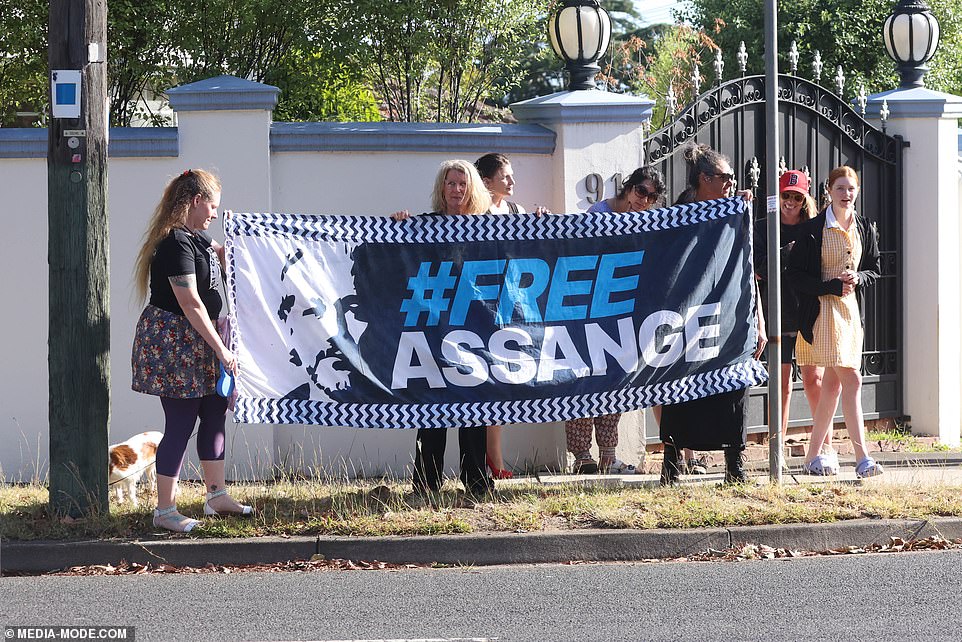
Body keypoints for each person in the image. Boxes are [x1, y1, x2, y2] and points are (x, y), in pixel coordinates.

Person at [131, 169, 252, 533]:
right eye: (212, 206)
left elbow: (226, 268)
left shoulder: (198, 241)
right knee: (181, 424)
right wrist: (222, 350)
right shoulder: (175, 244)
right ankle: (165, 510)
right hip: (177, 343)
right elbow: (191, 302)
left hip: (201, 341)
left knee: (215, 412)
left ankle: (216, 495)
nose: (215, 213)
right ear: (196, 201)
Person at [660, 144, 767, 485]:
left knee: (733, 387)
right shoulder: (675, 219)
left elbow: (747, 270)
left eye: (733, 178)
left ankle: (735, 468)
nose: (732, 184)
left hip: (730, 317)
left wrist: (760, 320)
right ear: (704, 179)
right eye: (726, 178)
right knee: (679, 390)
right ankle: (671, 467)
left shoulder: (735, 214)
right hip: (686, 320)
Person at [392, 160, 495, 496]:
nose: (457, 190)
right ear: (442, 188)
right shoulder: (425, 227)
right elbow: (396, 255)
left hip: (475, 331)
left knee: (473, 408)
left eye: (462, 184)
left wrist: (539, 226)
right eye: (451, 184)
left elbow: (518, 252)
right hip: (433, 332)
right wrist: (398, 227)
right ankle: (426, 483)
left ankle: (477, 481)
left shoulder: (487, 228)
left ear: (473, 188)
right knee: (432, 407)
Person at [566, 166, 666, 474]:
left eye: (651, 197)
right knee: (585, 381)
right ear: (628, 187)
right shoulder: (597, 213)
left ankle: (609, 455)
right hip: (590, 310)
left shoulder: (646, 222)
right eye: (641, 192)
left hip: (625, 310)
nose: (644, 201)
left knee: (615, 382)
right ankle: (582, 456)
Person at [786, 166, 883, 478]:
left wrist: (859, 277)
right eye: (840, 188)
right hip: (821, 312)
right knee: (851, 379)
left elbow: (875, 268)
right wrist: (829, 286)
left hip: (849, 311)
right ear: (828, 191)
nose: (846, 194)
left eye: (851, 188)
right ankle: (862, 457)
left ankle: (814, 455)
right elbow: (795, 276)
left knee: (832, 385)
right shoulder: (813, 229)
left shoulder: (864, 227)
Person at [472, 152, 551, 479]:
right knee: (489, 384)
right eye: (506, 177)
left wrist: (542, 221)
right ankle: (494, 462)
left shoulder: (516, 212)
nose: (513, 182)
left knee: (505, 383)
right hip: (485, 307)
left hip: (516, 306)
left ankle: (496, 461)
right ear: (487, 181)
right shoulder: (475, 214)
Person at [754, 170, 826, 467]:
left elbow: (819, 267)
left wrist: (783, 259)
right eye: (786, 195)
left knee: (814, 379)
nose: (790, 202)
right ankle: (777, 450)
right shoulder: (763, 228)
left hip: (809, 314)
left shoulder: (814, 228)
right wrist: (791, 254)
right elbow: (760, 267)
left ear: (805, 198)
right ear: (778, 196)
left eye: (797, 197)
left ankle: (822, 447)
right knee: (780, 384)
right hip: (777, 314)